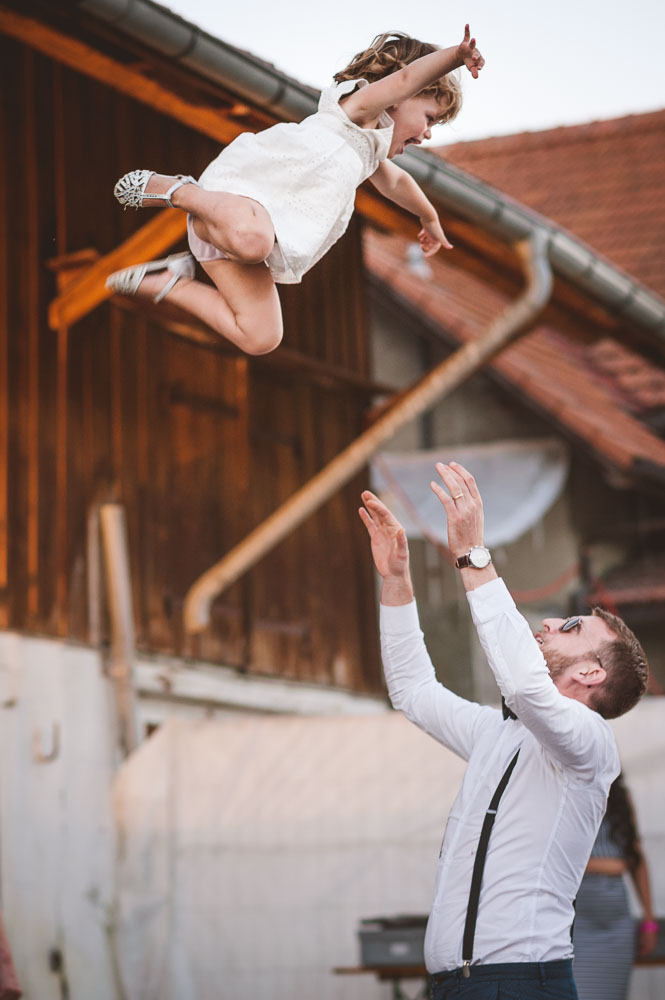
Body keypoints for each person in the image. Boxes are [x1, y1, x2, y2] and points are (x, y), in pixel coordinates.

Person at [358, 461, 649, 1000]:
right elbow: (413, 692)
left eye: (570, 627)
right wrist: (396, 582)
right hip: (457, 986)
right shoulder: (500, 733)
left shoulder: (590, 742)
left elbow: (524, 686)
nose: (548, 622)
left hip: (519, 984)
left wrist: (473, 554)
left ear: (591, 674)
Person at [106, 27, 484, 355]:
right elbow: (405, 80)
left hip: (235, 237)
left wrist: (428, 218)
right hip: (234, 204)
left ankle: (171, 281)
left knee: (261, 336)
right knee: (254, 240)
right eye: (430, 118)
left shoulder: (368, 154)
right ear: (399, 96)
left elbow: (399, 183)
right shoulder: (359, 109)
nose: (427, 134)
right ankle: (178, 190)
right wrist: (455, 56)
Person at [573, 772, 658, 1000]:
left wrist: (649, 921)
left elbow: (635, 859)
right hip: (577, 925)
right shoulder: (564, 792)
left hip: (616, 926)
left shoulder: (619, 797)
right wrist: (609, 865)